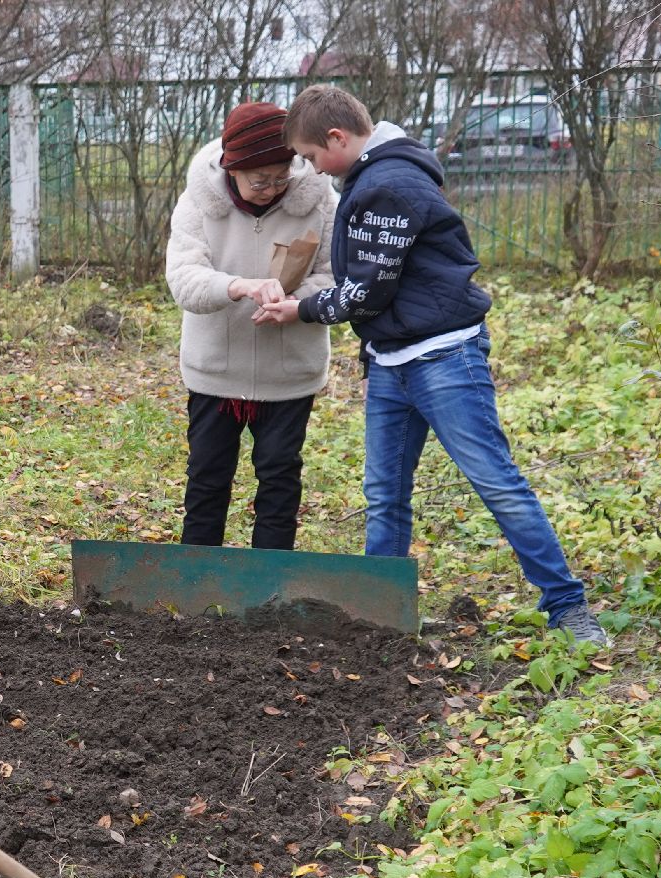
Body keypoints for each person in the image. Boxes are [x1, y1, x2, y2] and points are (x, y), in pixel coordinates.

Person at [254, 84, 609, 644]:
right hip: (393, 360)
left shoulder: (388, 185)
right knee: (384, 493)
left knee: (497, 483)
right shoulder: (370, 178)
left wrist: (298, 309)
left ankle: (568, 608)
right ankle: (382, 617)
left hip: (443, 358)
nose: (314, 169)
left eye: (312, 156)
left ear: (337, 138)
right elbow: (378, 290)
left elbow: (365, 293)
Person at [165, 101, 338, 549]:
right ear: (230, 168)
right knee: (207, 479)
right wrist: (238, 286)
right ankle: (196, 586)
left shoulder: (319, 199)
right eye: (259, 180)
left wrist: (296, 302)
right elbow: (184, 279)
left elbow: (338, 275)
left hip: (290, 371)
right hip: (216, 372)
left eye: (281, 176)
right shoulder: (198, 202)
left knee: (280, 480)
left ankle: (270, 593)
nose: (271, 188)